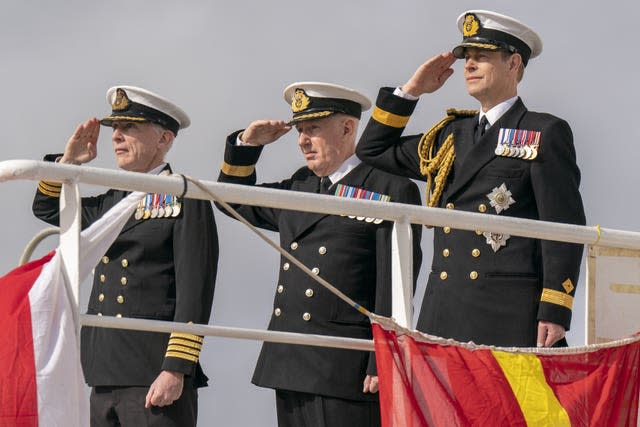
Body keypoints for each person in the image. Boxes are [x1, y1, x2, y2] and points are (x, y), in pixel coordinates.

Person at [356, 10, 586, 348]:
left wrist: (555, 307)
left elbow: (564, 225)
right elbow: (372, 150)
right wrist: (412, 90)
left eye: (483, 56)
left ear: (513, 64)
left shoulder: (543, 131)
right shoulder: (451, 135)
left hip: (507, 310)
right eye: (467, 58)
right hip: (444, 307)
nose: (469, 65)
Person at [217, 82, 422, 426]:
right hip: (288, 359)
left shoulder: (389, 188)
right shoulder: (300, 186)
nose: (302, 140)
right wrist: (248, 145)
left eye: (313, 128)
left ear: (346, 128)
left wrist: (383, 358)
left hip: (346, 366)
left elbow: (396, 285)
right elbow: (233, 201)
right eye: (299, 130)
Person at [32, 86, 218, 426]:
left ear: (163, 139)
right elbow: (46, 208)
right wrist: (68, 163)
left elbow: (195, 290)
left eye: (130, 127)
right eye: (115, 129)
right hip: (102, 369)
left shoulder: (184, 198)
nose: (117, 136)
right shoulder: (109, 203)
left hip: (153, 370)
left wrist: (175, 368)